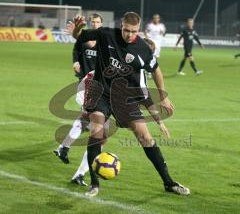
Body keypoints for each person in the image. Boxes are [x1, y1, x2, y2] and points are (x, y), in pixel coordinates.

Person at [72, 12, 190, 197]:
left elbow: (156, 70)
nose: (129, 34)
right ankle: (94, 184)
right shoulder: (106, 34)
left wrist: (163, 96)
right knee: (97, 127)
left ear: (139, 29)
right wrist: (78, 27)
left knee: (145, 136)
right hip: (101, 93)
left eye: (134, 31)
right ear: (122, 25)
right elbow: (79, 37)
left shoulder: (143, 48)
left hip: (125, 98)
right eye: (126, 30)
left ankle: (168, 182)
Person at [54, 13, 106, 186]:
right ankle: (80, 172)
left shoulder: (103, 40)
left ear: (102, 24)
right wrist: (76, 61)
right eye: (94, 22)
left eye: (98, 22)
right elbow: (76, 49)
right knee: (99, 132)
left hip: (100, 88)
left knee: (86, 120)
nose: (96, 24)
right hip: (87, 83)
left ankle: (64, 148)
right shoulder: (86, 38)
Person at [145, 14, 166, 78]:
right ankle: (149, 71)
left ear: (159, 19)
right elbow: (145, 31)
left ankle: (152, 70)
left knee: (156, 57)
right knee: (151, 57)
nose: (156, 19)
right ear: (153, 19)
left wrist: (162, 32)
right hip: (152, 43)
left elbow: (164, 33)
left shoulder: (161, 26)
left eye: (157, 18)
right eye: (155, 18)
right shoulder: (150, 25)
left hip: (158, 44)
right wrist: (147, 39)